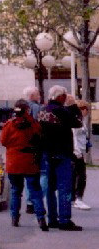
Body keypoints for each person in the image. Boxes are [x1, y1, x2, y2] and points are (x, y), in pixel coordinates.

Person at [38, 84, 83, 231]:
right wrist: (73, 106)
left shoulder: (42, 110)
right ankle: (64, 220)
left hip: (46, 153)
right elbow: (78, 123)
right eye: (65, 96)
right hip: (62, 153)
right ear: (61, 96)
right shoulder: (62, 111)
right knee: (64, 187)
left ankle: (52, 219)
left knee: (50, 188)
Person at [0, 99, 48, 230]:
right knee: (35, 191)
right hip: (30, 162)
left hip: (14, 162)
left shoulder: (9, 124)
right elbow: (40, 139)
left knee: (16, 191)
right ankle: (41, 218)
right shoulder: (34, 124)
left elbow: (3, 141)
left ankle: (14, 218)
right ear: (27, 110)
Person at [72, 100, 91, 211]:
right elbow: (73, 136)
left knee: (75, 175)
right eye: (86, 110)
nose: (87, 112)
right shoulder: (76, 121)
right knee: (81, 176)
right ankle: (78, 198)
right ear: (82, 109)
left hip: (80, 151)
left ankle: (74, 198)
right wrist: (76, 151)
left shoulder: (81, 121)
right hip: (76, 152)